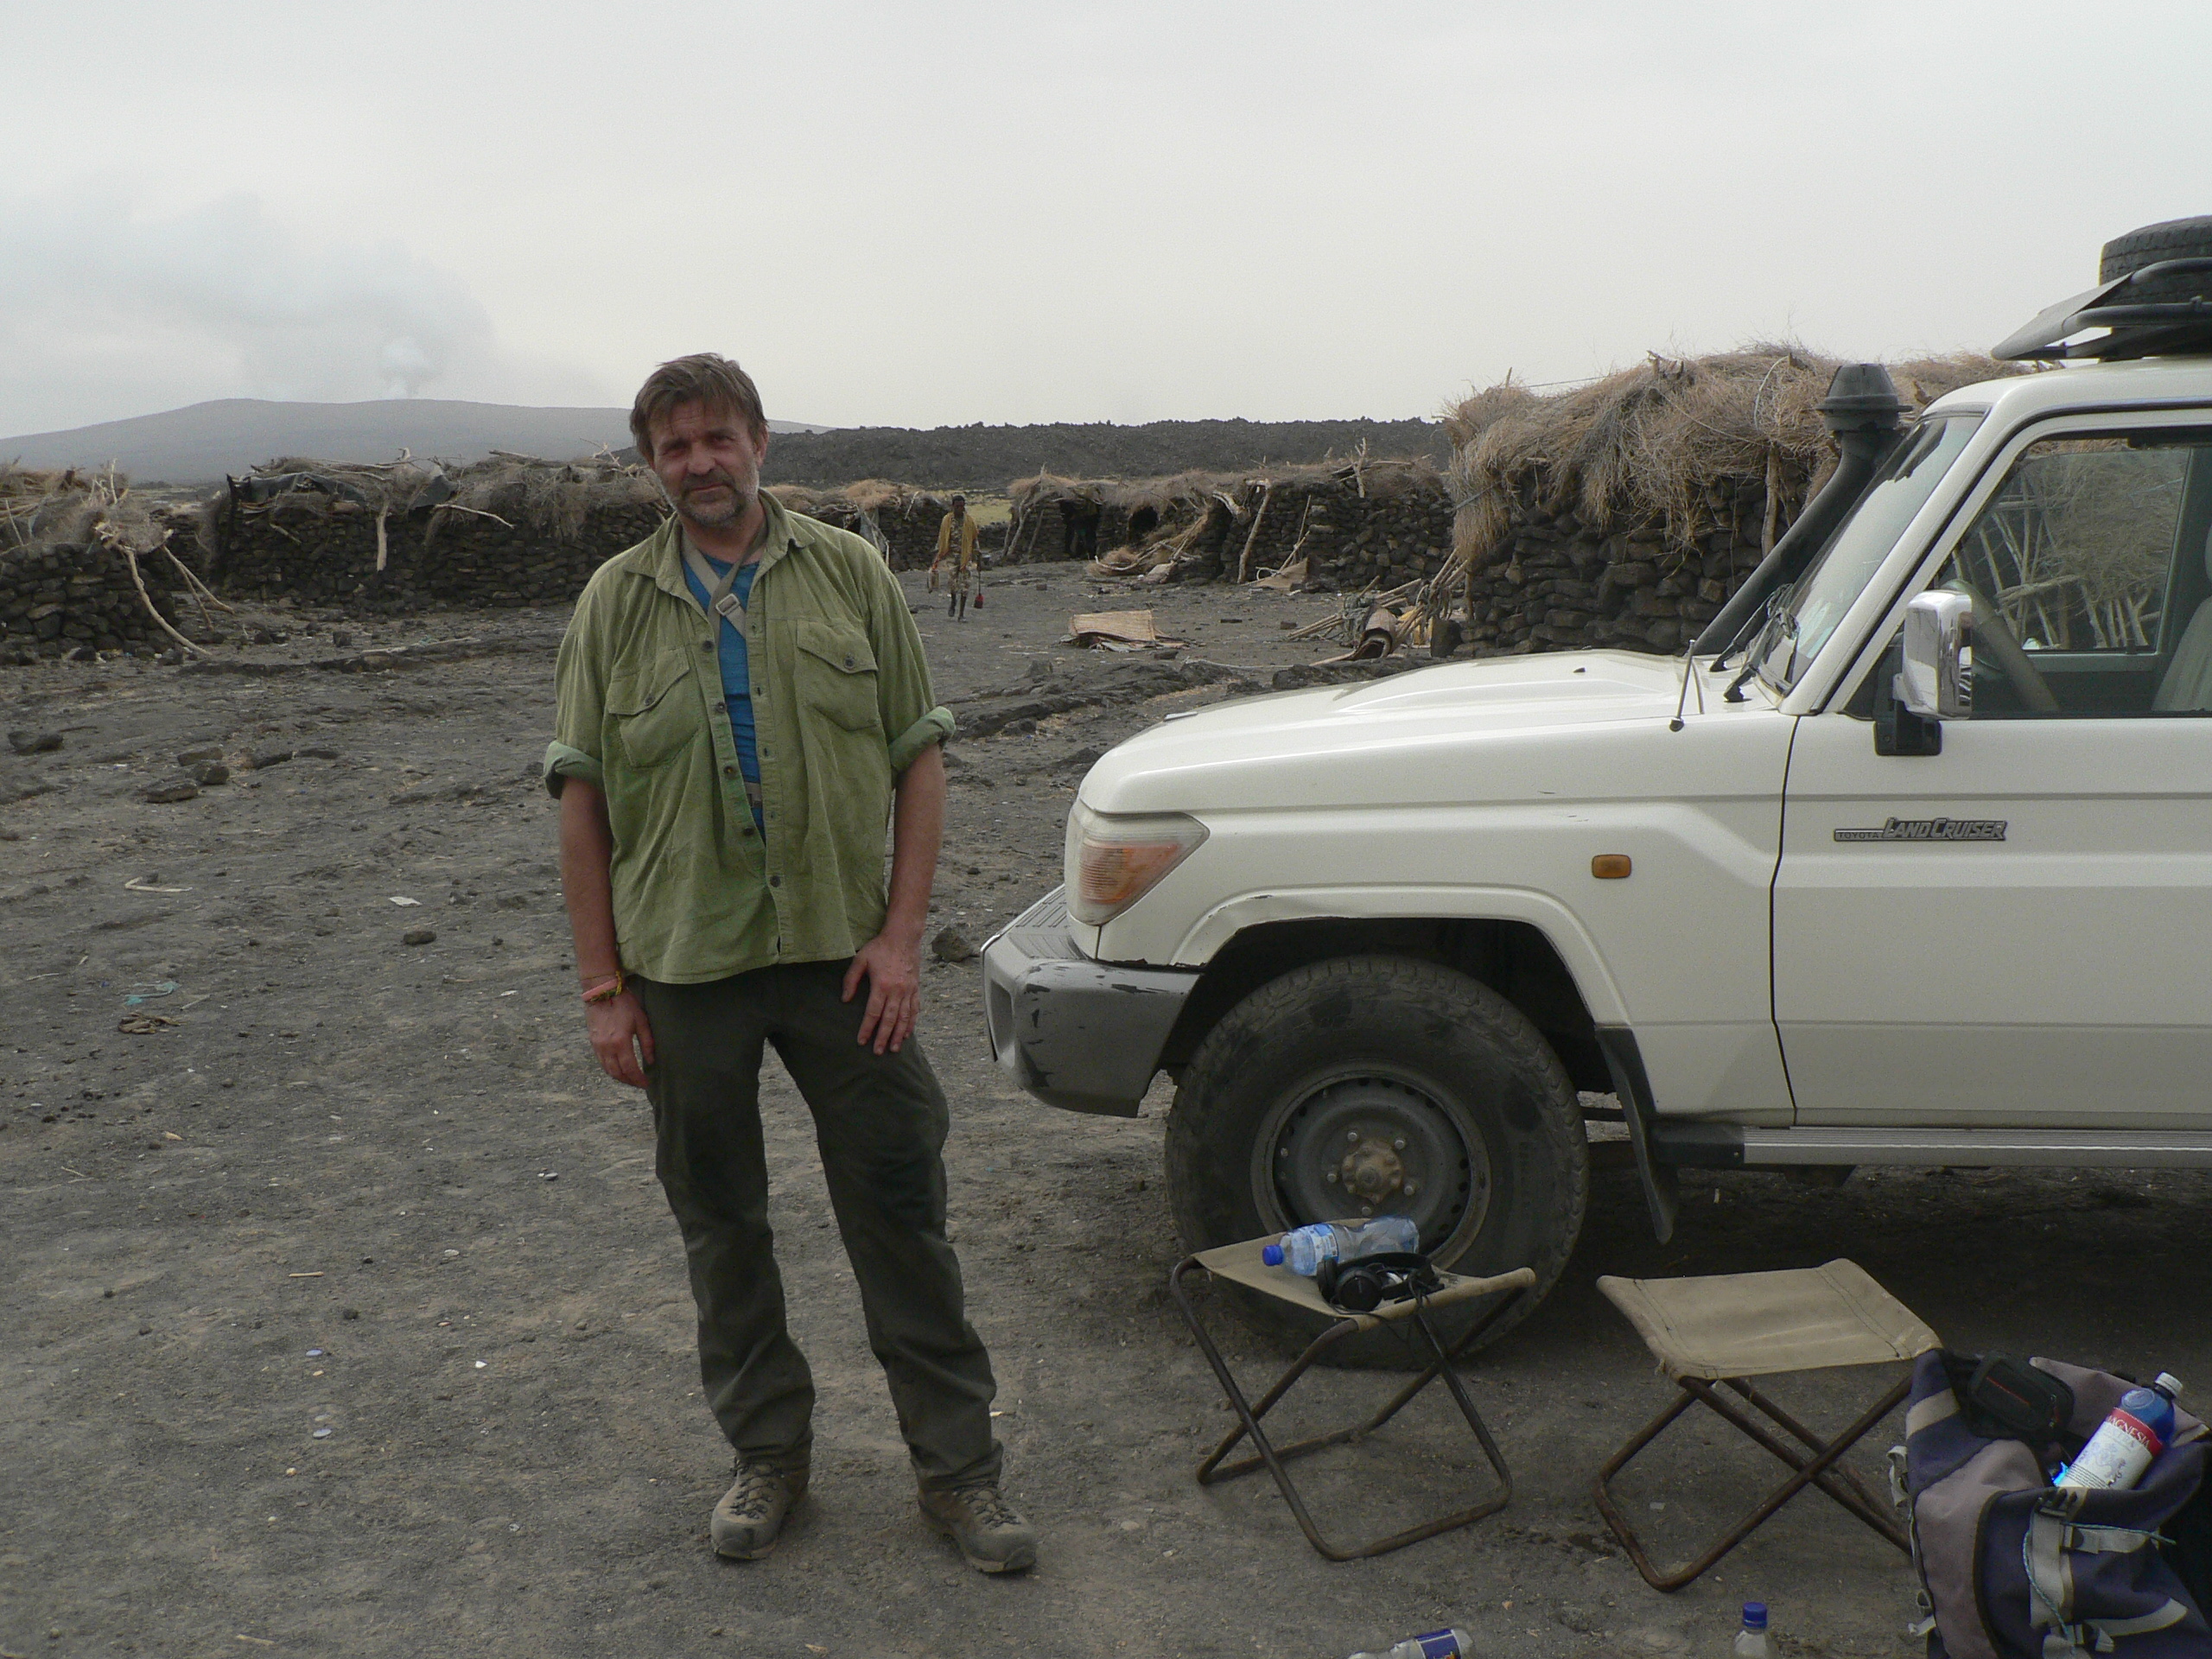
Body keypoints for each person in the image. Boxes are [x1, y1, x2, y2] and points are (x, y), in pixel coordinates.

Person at [544, 353, 1035, 1574]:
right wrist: (603, 990)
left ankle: (958, 1473)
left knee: (901, 1209)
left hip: (842, 961)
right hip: (683, 964)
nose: (699, 463)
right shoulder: (613, 602)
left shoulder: (850, 574)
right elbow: (581, 801)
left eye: (717, 438)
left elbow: (919, 758)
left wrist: (902, 939)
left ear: (760, 442)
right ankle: (768, 1456)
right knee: (721, 1225)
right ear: (651, 466)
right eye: (674, 447)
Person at [931, 494, 981, 620]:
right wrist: (937, 555)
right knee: (952, 583)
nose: (960, 509)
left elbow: (974, 539)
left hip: (966, 556)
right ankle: (953, 601)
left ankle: (961, 614)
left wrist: (978, 556)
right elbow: (942, 538)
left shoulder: (969, 521)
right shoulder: (947, 521)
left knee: (965, 585)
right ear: (953, 506)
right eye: (957, 506)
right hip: (952, 556)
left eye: (962, 506)